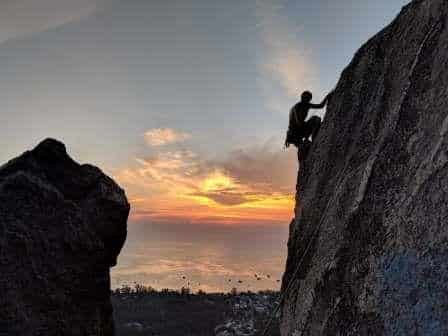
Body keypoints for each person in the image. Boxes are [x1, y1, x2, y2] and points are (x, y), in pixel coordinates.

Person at [285, 90, 332, 161]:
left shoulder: (307, 105)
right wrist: (306, 136)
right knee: (303, 147)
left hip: (298, 131)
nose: (307, 101)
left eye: (308, 99)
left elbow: (320, 106)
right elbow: (299, 123)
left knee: (316, 119)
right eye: (306, 99)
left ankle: (313, 139)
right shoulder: (297, 107)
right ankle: (308, 144)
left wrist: (327, 97)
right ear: (302, 98)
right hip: (295, 134)